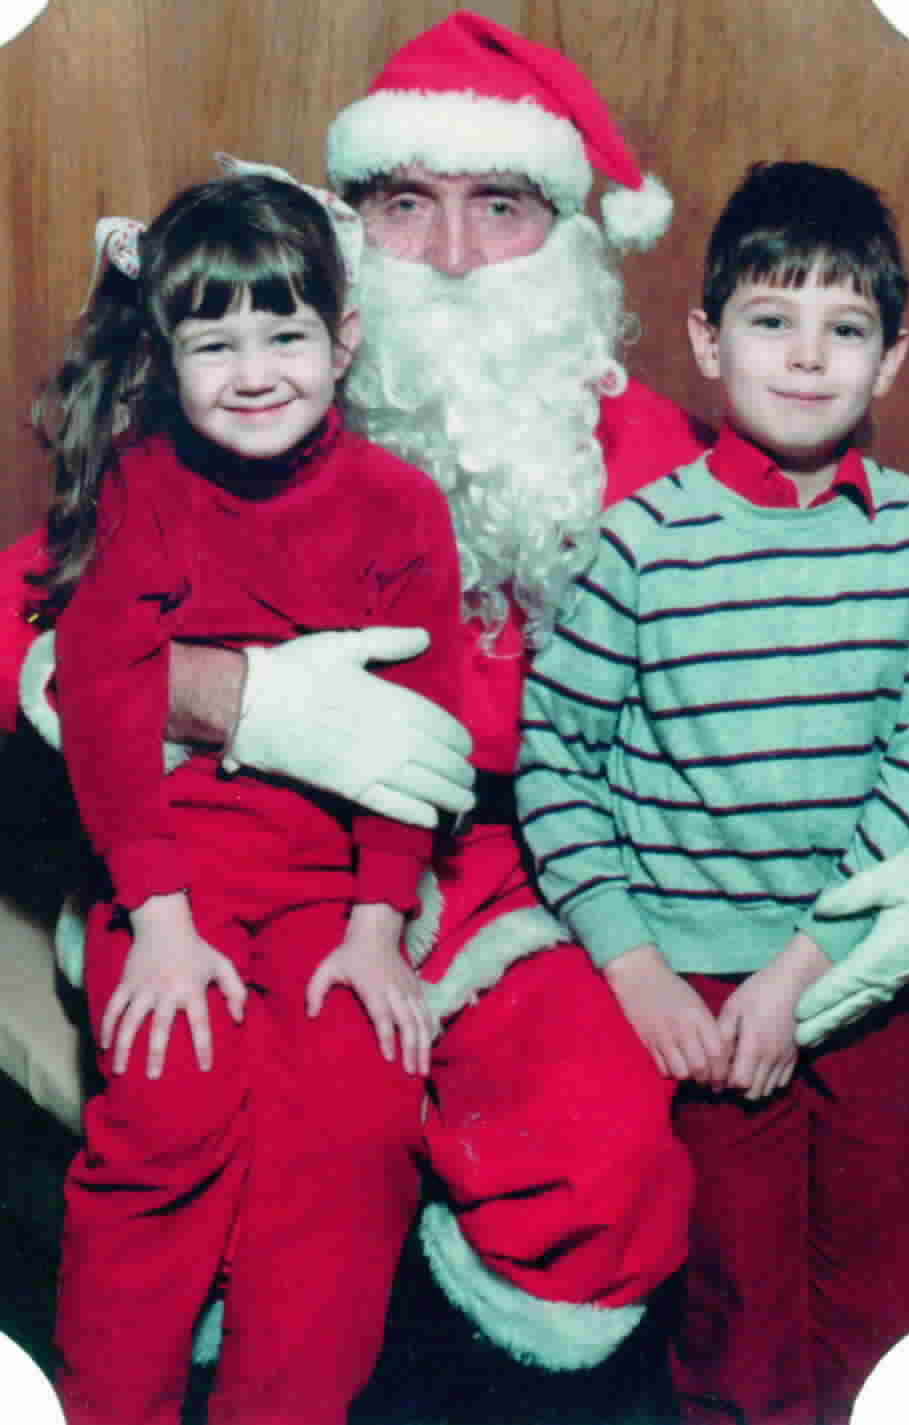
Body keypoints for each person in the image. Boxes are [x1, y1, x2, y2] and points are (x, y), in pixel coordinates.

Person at [0, 5, 909, 1412]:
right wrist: (236, 698)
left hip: (527, 873)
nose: (453, 257)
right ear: (348, 237)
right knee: (202, 1116)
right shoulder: (247, 393)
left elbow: (852, 652)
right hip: (237, 851)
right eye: (406, 205)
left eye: (500, 208)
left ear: (568, 239)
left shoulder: (656, 452)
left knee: (604, 1172)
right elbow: (36, 614)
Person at [516, 161, 909, 1425]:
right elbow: (555, 758)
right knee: (739, 1297)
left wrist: (806, 967)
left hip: (855, 967)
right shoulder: (640, 542)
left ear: (890, 360)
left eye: (846, 328)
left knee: (872, 1290)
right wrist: (634, 967)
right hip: (702, 989)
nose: (807, 356)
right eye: (771, 319)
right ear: (706, 340)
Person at [34, 168, 469, 1425]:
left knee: (356, 1121)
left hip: (337, 888)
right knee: (169, 1093)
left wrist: (379, 927)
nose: (253, 373)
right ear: (164, 357)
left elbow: (422, 740)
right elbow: (105, 706)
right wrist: (159, 923)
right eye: (212, 344)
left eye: (284, 335)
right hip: (176, 870)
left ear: (343, 340)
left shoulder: (400, 506)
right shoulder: (137, 489)